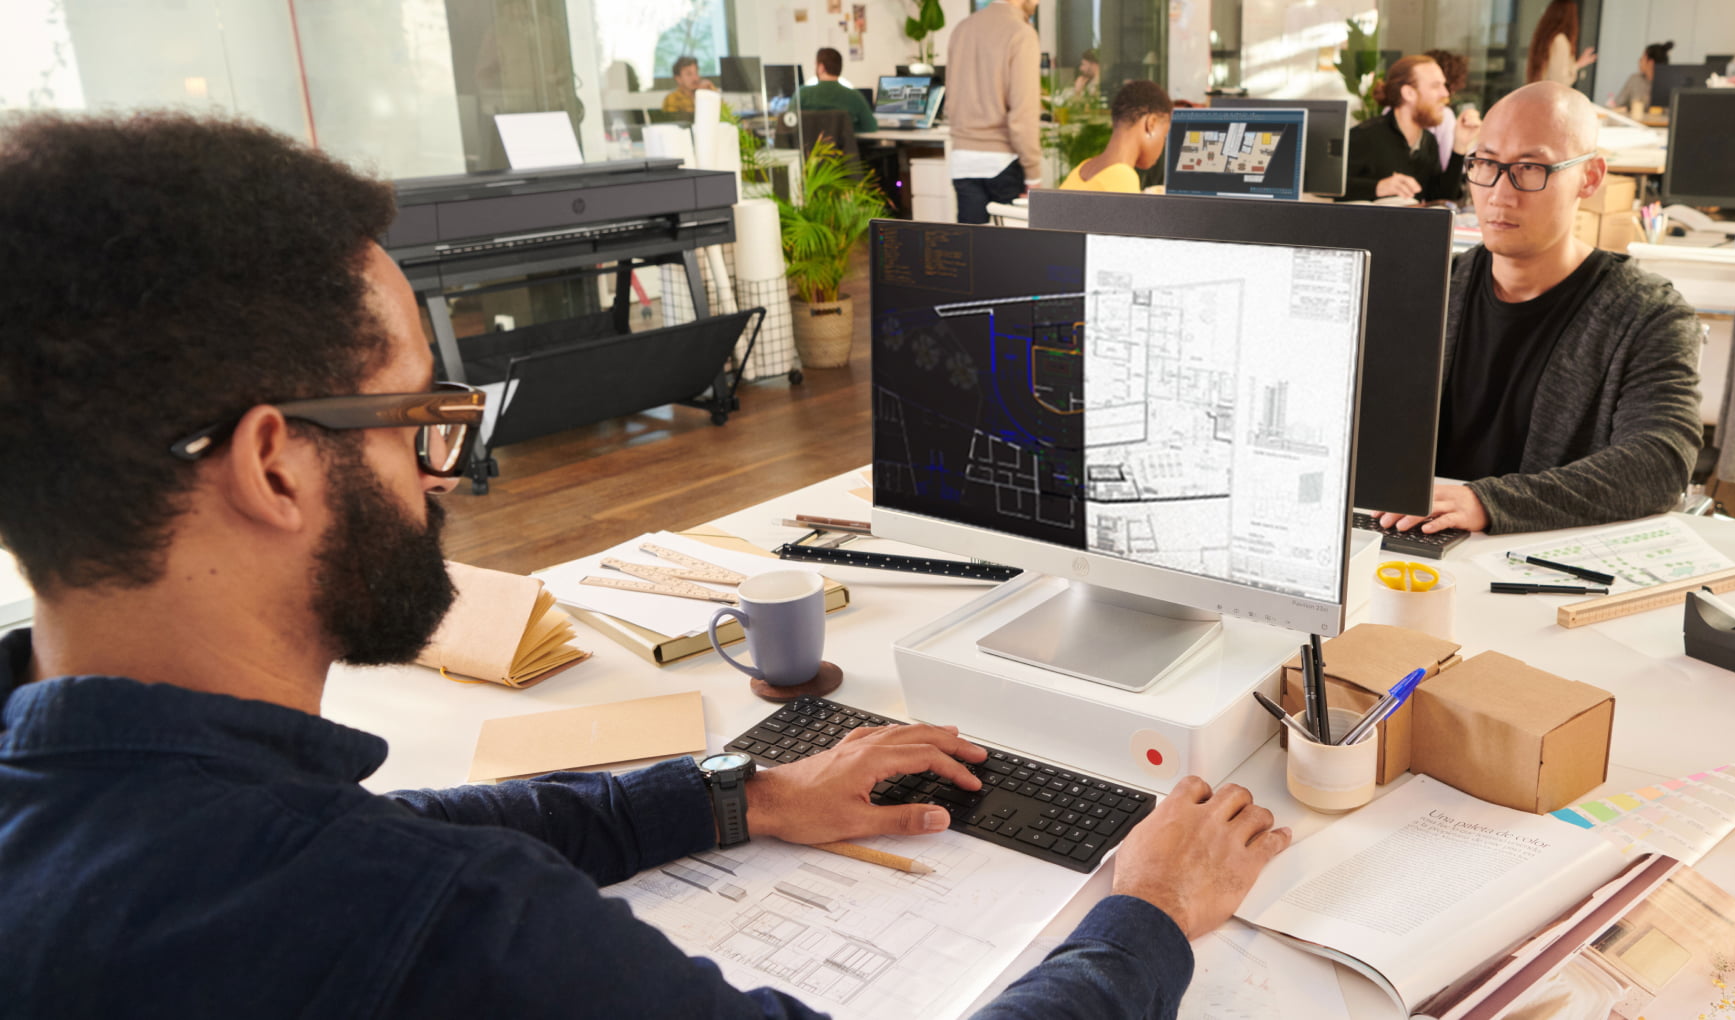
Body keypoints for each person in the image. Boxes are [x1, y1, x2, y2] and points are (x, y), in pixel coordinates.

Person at [0, 111, 1293, 1017]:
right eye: (419, 419)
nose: (441, 476)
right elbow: (403, 884)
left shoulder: (90, 810)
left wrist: (737, 797)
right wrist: (1145, 920)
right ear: (274, 467)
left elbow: (381, 832)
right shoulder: (429, 928)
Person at [1375, 83, 1702, 536]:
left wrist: (1489, 502)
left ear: (1590, 177)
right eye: (1486, 164)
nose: (1499, 194)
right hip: (1412, 538)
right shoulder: (1431, 288)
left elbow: (1661, 462)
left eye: (1530, 168)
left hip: (1541, 553)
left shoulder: (1648, 314)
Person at [947, 0, 1045, 223]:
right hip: (1003, 162)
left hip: (963, 161)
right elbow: (1023, 114)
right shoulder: (1021, 33)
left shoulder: (962, 29)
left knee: (973, 243)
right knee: (1010, 244)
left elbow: (951, 99)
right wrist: (1033, 175)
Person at [1340, 54, 1480, 204]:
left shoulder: (1428, 141)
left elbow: (1440, 198)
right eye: (1435, 86)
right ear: (1409, 93)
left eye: (1443, 85)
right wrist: (1377, 187)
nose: (1445, 93)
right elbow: (1328, 186)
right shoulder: (1365, 136)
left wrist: (1459, 147)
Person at [1060, 80, 1172, 193]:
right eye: (1164, 136)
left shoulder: (1081, 169)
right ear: (1151, 124)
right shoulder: (1123, 178)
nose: (1162, 146)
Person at [795, 46, 876, 135]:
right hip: (843, 144)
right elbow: (871, 127)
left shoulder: (802, 94)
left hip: (810, 144)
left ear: (821, 67)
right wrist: (847, 128)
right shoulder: (854, 96)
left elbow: (788, 122)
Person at [1526, 0, 1597, 86]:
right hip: (1550, 93)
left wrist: (1578, 64)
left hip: (1539, 91)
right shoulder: (1560, 40)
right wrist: (1577, 65)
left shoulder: (1544, 39)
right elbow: (1559, 81)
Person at [1610, 41, 1673, 111]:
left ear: (1651, 62)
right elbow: (1617, 104)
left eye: (1642, 58)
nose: (1639, 61)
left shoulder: (1669, 86)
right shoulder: (1635, 79)